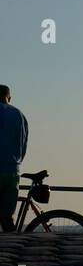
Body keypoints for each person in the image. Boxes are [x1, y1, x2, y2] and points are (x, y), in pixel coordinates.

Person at [0, 85, 29, 233]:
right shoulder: (19, 114)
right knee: (6, 216)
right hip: (12, 171)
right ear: (9, 98)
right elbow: (23, 145)